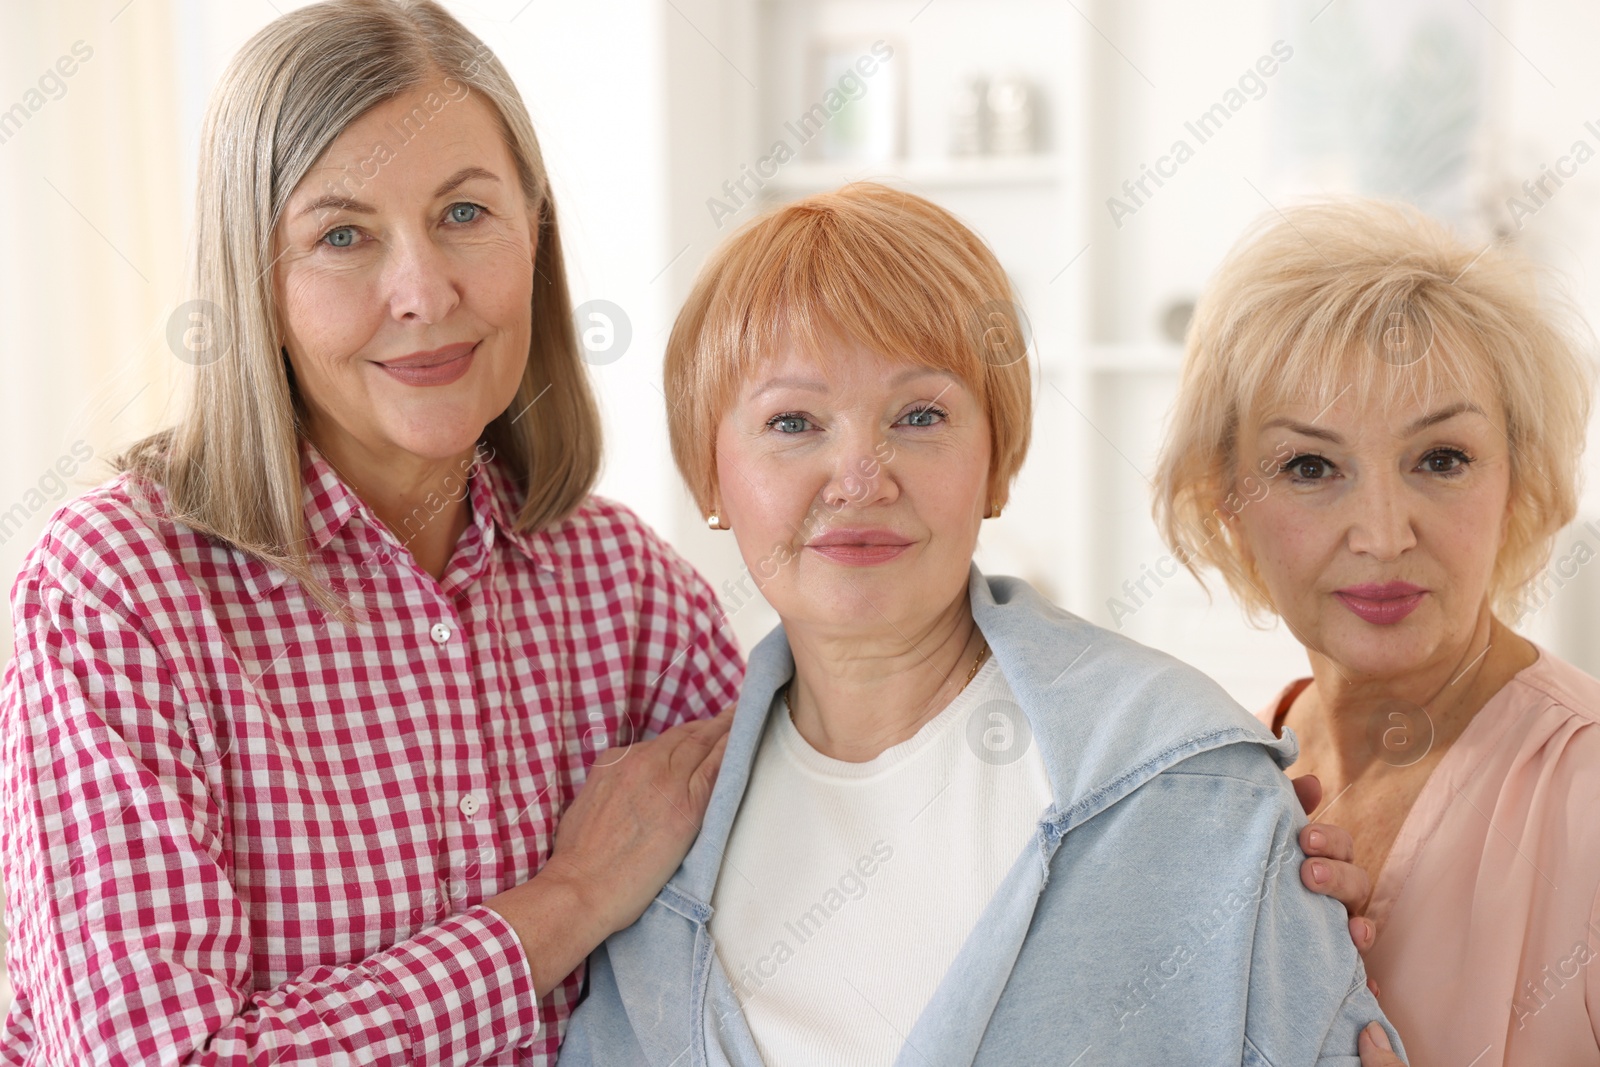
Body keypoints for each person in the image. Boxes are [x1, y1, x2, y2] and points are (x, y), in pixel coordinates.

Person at [0, 2, 741, 1062]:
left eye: (466, 214)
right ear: (258, 283)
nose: (423, 291)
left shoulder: (624, 586)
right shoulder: (113, 588)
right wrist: (565, 902)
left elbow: (784, 931)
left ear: (533, 233)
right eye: (342, 235)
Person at [558, 182, 1404, 1065]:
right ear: (710, 477)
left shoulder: (1185, 779)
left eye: (920, 415)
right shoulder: (657, 847)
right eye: (793, 421)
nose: (859, 477)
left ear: (998, 458)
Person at [1154, 196, 1600, 1065]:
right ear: (1227, 505)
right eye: (1310, 466)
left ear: (1519, 480)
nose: (1383, 533)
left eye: (1441, 458)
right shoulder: (1215, 785)